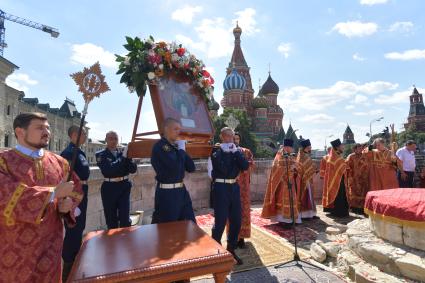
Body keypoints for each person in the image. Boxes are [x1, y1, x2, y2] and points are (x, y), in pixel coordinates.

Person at [0, 112, 83, 282]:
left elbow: (75, 190)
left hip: (51, 245)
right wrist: (53, 193)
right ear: (20, 132)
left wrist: (67, 207)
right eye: (39, 128)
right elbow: (5, 193)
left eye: (48, 127)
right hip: (14, 246)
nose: (47, 132)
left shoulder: (60, 162)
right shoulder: (4, 161)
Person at [210, 127, 249, 265]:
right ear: (222, 137)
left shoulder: (236, 151)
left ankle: (231, 249)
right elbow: (222, 169)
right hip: (221, 187)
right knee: (220, 221)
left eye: (232, 137)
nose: (230, 139)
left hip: (234, 187)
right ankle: (215, 251)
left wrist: (235, 153)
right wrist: (227, 153)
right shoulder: (216, 151)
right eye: (227, 137)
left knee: (236, 221)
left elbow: (245, 166)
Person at [151, 117, 196, 223]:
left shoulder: (175, 148)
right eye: (175, 129)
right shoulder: (161, 147)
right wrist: (181, 151)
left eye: (179, 129)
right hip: (167, 194)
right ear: (166, 129)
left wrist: (182, 151)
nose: (178, 132)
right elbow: (175, 167)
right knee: (169, 229)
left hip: (181, 192)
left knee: (190, 225)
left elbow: (191, 168)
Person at [61, 126, 90, 280]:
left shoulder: (78, 152)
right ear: (74, 134)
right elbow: (66, 178)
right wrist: (73, 202)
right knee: (73, 232)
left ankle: (76, 263)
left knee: (79, 229)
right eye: (84, 133)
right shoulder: (68, 153)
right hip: (75, 197)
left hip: (82, 194)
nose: (86, 136)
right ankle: (68, 270)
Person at [96, 131, 137, 229]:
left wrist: (130, 158)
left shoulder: (123, 153)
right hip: (109, 188)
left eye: (116, 139)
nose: (114, 141)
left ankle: (125, 241)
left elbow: (133, 170)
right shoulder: (101, 155)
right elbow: (109, 170)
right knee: (111, 219)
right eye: (111, 138)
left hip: (124, 186)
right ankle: (112, 243)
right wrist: (123, 158)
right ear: (106, 140)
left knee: (125, 218)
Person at [262, 139, 302, 228]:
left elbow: (298, 167)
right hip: (282, 183)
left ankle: (291, 220)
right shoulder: (279, 156)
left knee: (292, 201)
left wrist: (295, 169)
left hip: (291, 182)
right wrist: (289, 168)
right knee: (282, 201)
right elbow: (276, 169)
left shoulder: (292, 156)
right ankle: (283, 220)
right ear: (287, 147)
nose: (292, 149)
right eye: (291, 147)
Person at [225, 132, 255, 249]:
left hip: (243, 188)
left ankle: (241, 238)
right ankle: (232, 238)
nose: (236, 140)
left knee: (243, 212)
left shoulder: (246, 151)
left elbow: (251, 164)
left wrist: (243, 165)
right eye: (234, 138)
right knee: (231, 212)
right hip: (231, 186)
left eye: (237, 138)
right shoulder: (227, 151)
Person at [322, 139, 349, 217]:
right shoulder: (334, 157)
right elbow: (336, 168)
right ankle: (338, 212)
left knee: (340, 195)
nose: (343, 147)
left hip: (340, 179)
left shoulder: (336, 156)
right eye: (341, 146)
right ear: (337, 147)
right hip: (336, 180)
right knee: (338, 195)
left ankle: (341, 211)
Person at [296, 139, 318, 220]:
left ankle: (311, 213)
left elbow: (310, 165)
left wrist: (314, 169)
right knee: (305, 196)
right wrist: (312, 169)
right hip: (304, 179)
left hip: (309, 178)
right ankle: (304, 215)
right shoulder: (301, 156)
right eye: (309, 146)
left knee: (310, 195)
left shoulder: (307, 155)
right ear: (306, 147)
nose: (311, 147)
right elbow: (301, 167)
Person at [346, 144, 369, 215]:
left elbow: (368, 166)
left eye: (361, 148)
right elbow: (347, 166)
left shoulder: (364, 156)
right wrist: (351, 175)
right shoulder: (351, 156)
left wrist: (365, 174)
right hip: (354, 178)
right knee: (354, 192)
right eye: (358, 148)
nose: (360, 150)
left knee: (363, 192)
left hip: (363, 178)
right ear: (354, 149)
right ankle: (354, 207)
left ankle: (362, 208)